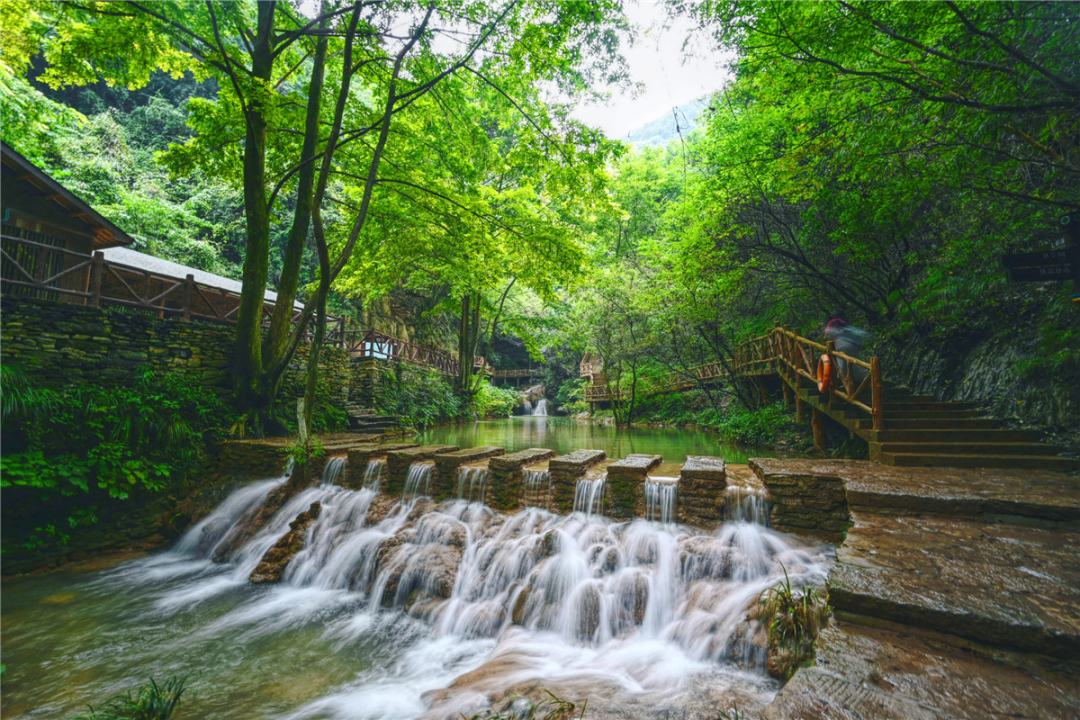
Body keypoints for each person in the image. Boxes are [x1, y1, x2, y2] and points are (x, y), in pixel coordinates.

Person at [823, 314, 870, 385]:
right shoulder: (843, 323)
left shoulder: (832, 322)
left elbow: (827, 335)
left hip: (842, 344)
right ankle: (863, 378)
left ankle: (843, 382)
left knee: (841, 362)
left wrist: (825, 346)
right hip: (854, 344)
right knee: (853, 362)